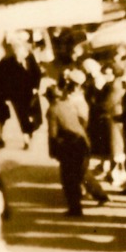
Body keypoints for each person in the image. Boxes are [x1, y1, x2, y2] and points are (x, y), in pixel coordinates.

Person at [46, 71, 110, 216]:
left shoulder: (52, 110)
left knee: (69, 178)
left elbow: (52, 134)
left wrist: (54, 151)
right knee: (82, 173)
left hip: (70, 146)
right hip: (83, 142)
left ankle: (75, 208)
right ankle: (101, 195)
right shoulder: (68, 104)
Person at [0, 33, 43, 150]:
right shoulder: (7, 62)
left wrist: (36, 87)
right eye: (15, 49)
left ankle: (30, 130)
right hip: (16, 95)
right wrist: (5, 95)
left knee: (37, 119)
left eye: (19, 48)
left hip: (31, 92)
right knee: (22, 117)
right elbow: (1, 77)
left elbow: (37, 73)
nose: (17, 51)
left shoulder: (30, 58)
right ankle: (26, 137)